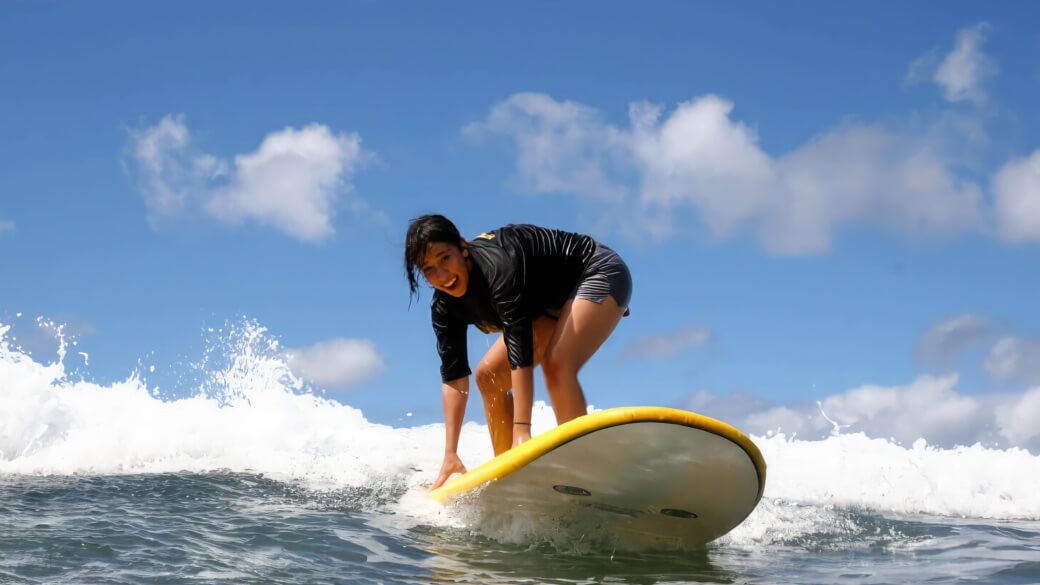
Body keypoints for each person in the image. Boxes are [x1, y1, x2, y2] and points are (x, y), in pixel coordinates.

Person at [404, 215, 633, 489]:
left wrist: (522, 430)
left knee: (557, 365)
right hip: (548, 305)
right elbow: (454, 380)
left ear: (462, 247)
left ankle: (583, 472)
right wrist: (450, 453)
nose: (442, 276)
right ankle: (510, 476)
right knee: (488, 375)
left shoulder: (498, 266)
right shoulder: (444, 307)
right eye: (428, 269)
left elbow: (519, 350)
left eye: (444, 258)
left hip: (597, 270)